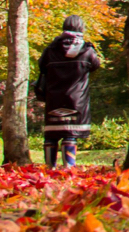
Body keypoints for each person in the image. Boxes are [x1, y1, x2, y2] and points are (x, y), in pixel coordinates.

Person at [35, 15, 101, 168]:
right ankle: (68, 168)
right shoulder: (86, 50)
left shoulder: (51, 50)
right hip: (77, 98)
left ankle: (49, 167)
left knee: (51, 135)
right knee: (70, 134)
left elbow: (41, 66)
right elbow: (95, 65)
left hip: (53, 97)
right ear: (81, 29)